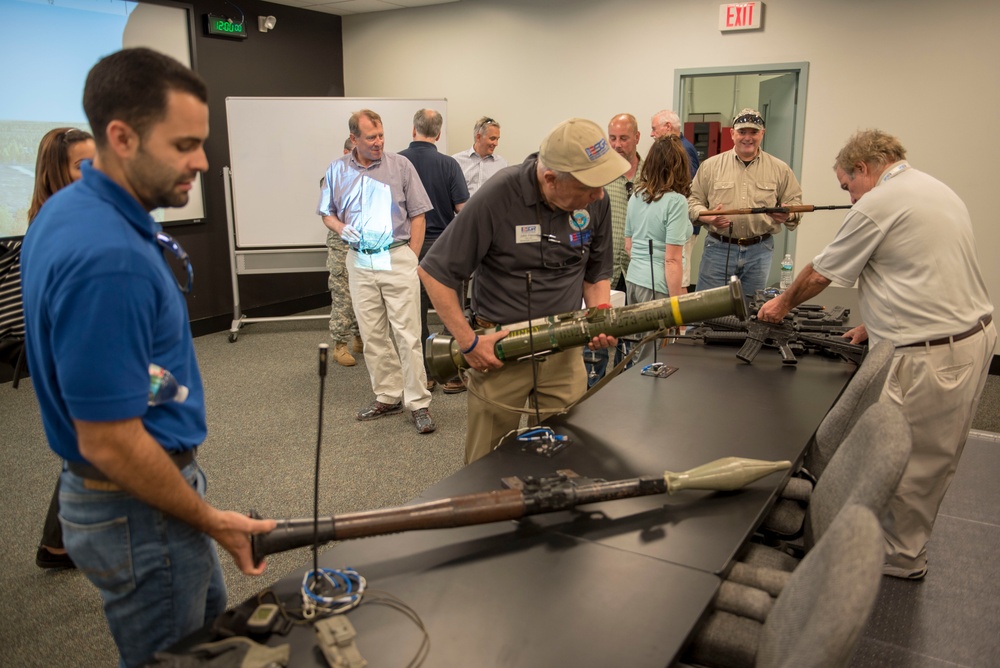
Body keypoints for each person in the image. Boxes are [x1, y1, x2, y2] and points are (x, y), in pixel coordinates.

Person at [20, 48, 276, 667]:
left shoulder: (64, 212)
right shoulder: (110, 257)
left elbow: (99, 360)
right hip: (139, 507)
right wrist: (212, 519)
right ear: (122, 136)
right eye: (185, 144)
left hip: (133, 499)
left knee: (208, 643)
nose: (203, 161)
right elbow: (109, 441)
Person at [757, 129, 996, 580]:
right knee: (924, 454)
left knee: (914, 459)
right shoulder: (930, 188)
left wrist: (781, 305)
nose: (849, 197)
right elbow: (923, 267)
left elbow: (819, 273)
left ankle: (899, 558)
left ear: (863, 169)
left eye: (847, 186)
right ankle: (892, 543)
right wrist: (877, 321)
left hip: (936, 353)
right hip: (965, 335)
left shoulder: (878, 203)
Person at [419, 118, 626, 464]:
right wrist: (468, 343)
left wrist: (599, 313)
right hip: (500, 355)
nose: (599, 195)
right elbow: (435, 272)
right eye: (590, 186)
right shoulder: (500, 194)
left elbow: (596, 273)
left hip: (564, 350)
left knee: (564, 456)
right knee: (487, 465)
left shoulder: (595, 200)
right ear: (550, 179)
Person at [318, 109, 436, 434]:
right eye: (371, 137)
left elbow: (419, 215)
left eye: (381, 135)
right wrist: (340, 227)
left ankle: (418, 402)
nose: (378, 142)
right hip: (360, 260)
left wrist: (411, 255)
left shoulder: (401, 166)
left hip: (396, 255)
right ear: (354, 139)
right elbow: (326, 213)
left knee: (408, 334)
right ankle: (388, 395)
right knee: (371, 335)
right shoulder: (336, 171)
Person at [27, 127, 97, 570]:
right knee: (90, 450)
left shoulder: (50, 221)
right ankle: (59, 543)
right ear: (56, 173)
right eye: (80, 166)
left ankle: (57, 544)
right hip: (73, 361)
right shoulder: (61, 228)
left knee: (84, 451)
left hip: (65, 360)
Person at [688, 108, 803, 294]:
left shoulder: (780, 169)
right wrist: (707, 216)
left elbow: (796, 204)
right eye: (742, 132)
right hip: (718, 249)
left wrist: (788, 214)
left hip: (760, 251)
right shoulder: (710, 166)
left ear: (762, 133)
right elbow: (692, 200)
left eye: (754, 132)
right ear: (732, 133)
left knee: (750, 311)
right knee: (707, 311)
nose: (747, 138)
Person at [399, 109, 470, 393]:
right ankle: (452, 375)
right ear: (438, 134)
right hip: (444, 250)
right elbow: (463, 211)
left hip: (407, 250)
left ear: (413, 129)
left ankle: (424, 374)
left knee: (414, 315)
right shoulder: (449, 165)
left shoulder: (396, 162)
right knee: (451, 312)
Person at [584, 113, 645, 387]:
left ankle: (626, 388)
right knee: (595, 337)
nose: (617, 144)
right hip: (603, 268)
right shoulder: (600, 174)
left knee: (631, 336)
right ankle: (591, 391)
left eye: (623, 138)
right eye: (612, 138)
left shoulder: (650, 174)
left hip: (637, 270)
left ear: (637, 138)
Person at [623, 135, 693, 359]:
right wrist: (677, 309)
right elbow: (672, 260)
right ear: (679, 166)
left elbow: (628, 245)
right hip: (657, 286)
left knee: (636, 352)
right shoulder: (676, 202)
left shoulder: (636, 195)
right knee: (651, 359)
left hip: (633, 282)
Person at [651, 109, 701, 291]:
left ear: (668, 126)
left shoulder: (683, 150)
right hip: (674, 223)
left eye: (654, 129)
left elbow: (687, 188)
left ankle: (680, 319)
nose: (652, 134)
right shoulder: (678, 148)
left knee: (679, 280)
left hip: (681, 224)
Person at [325, 136, 364, 367]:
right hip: (341, 245)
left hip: (365, 245)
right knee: (343, 297)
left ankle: (360, 337)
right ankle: (340, 345)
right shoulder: (332, 178)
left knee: (366, 294)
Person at [452, 116, 507, 198]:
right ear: (478, 137)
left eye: (497, 139)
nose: (496, 143)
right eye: (492, 138)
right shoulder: (456, 161)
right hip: (464, 210)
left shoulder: (502, 164)